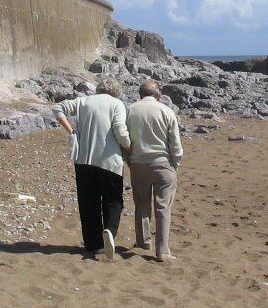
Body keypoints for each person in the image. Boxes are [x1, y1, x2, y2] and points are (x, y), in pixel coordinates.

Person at [53, 77, 131, 260]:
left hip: (84, 160)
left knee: (88, 203)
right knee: (113, 199)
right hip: (109, 161)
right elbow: (120, 130)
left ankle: (93, 245)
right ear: (116, 91)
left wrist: (71, 131)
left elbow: (58, 108)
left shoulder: (83, 101)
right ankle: (110, 231)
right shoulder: (116, 104)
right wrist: (128, 146)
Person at [126, 79, 183, 262]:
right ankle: (162, 250)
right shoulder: (166, 111)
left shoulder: (130, 110)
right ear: (158, 96)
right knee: (163, 206)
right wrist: (176, 163)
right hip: (162, 163)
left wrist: (129, 160)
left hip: (138, 163)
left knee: (141, 203)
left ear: (140, 95)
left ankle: (143, 241)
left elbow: (123, 137)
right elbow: (175, 143)